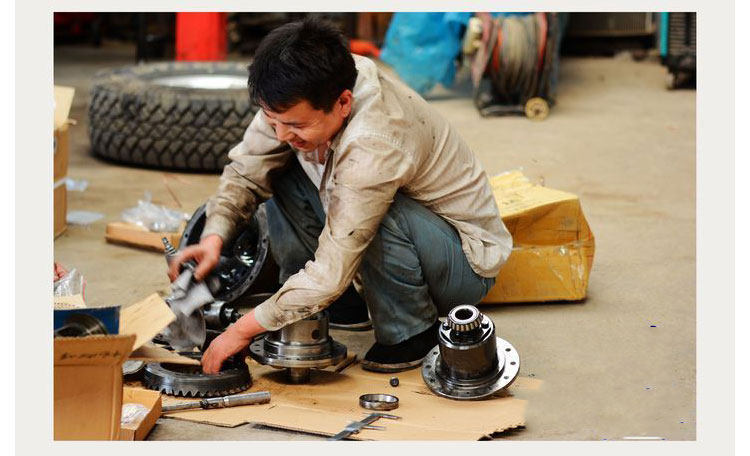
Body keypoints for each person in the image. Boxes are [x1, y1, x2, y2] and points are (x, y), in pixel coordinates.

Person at [168, 18, 513, 375]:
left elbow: (333, 268)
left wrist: (242, 330)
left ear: (344, 102)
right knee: (275, 165)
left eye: (296, 125)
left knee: (377, 212)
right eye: (273, 122)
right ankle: (342, 306)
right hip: (402, 235)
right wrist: (214, 238)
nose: (282, 134)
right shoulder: (305, 91)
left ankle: (411, 331)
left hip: (461, 264)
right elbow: (246, 170)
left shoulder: (375, 141)